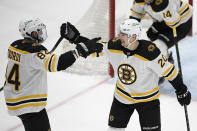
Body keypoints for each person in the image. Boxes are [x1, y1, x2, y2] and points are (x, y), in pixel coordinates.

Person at [63, 19, 191, 131]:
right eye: (120, 33)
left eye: (123, 34)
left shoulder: (150, 52)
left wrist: (181, 90)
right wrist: (76, 38)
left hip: (147, 101)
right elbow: (95, 46)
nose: (119, 36)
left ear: (133, 37)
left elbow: (170, 71)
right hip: (122, 97)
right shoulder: (114, 45)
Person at [3, 18, 102, 131]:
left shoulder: (14, 46)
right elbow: (58, 64)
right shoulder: (35, 53)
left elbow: (33, 60)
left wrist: (76, 39)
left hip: (13, 98)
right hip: (29, 105)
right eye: (39, 31)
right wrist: (79, 51)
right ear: (32, 33)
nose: (41, 33)